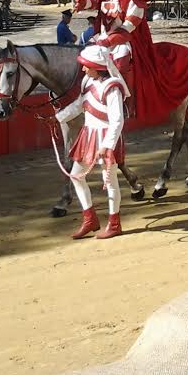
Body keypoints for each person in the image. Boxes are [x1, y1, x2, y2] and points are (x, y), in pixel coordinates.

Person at [53, 45, 129, 240]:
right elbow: (80, 105)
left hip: (105, 137)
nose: (84, 70)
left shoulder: (113, 87)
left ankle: (114, 223)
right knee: (76, 175)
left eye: (87, 66)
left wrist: (108, 145)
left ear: (97, 66)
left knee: (109, 181)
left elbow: (117, 120)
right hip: (89, 135)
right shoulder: (87, 81)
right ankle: (90, 219)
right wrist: (58, 118)